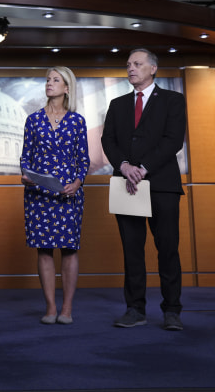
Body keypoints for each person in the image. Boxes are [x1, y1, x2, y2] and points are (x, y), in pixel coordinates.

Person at [101, 49, 187, 331]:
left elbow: (173, 140)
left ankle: (172, 310)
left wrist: (144, 167)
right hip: (126, 184)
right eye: (128, 65)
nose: (131, 69)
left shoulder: (173, 100)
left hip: (162, 184)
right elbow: (108, 140)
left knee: (168, 249)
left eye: (137, 64)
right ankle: (135, 309)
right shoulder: (117, 103)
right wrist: (124, 165)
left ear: (153, 69)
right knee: (132, 250)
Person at [20, 66, 89, 325]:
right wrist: (25, 175)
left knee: (69, 249)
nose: (49, 83)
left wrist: (77, 182)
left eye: (55, 80)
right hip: (38, 193)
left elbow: (83, 159)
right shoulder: (33, 120)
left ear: (66, 88)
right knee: (44, 250)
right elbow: (26, 156)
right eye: (48, 79)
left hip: (68, 194)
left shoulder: (77, 121)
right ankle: (50, 307)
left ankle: (67, 308)